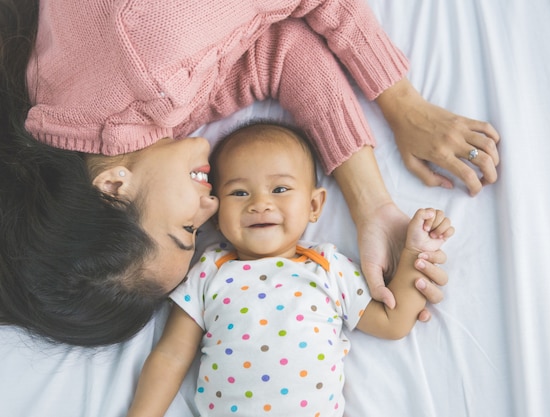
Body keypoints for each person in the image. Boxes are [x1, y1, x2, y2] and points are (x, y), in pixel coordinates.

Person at [0, 0, 497, 346]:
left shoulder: (151, 62)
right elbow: (277, 52)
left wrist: (403, 105)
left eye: (184, 229)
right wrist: (372, 207)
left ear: (112, 188)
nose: (212, 206)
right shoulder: (78, 116)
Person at [126, 122, 454, 417]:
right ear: (216, 214)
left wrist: (414, 253)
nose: (260, 203)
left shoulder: (329, 268)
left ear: (314, 206)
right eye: (239, 192)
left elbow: (393, 322)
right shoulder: (208, 271)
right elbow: (171, 356)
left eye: (280, 189)